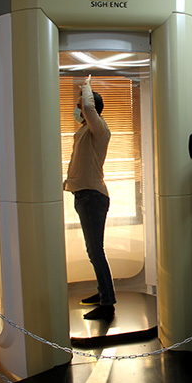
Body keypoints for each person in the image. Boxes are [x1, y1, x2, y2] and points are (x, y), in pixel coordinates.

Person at [64, 75, 116, 322]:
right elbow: (79, 166)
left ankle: (107, 304)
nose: (78, 109)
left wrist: (86, 87)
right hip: (84, 195)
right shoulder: (85, 131)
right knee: (93, 251)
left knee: (96, 251)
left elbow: (87, 105)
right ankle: (103, 292)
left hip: (93, 197)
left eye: (80, 106)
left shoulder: (100, 129)